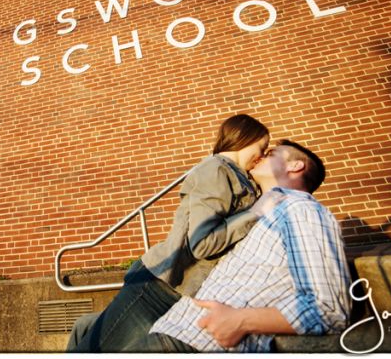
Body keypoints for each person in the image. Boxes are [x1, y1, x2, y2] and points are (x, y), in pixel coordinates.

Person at [71, 114, 285, 352]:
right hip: (158, 288)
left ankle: (85, 327)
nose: (263, 155)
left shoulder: (239, 177)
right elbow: (202, 243)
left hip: (179, 292)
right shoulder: (216, 169)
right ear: (246, 136)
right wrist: (255, 212)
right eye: (262, 147)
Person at [125, 139, 351, 352]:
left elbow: (329, 308)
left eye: (271, 153)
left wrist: (240, 320)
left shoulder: (301, 210)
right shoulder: (265, 213)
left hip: (197, 346)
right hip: (171, 333)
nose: (260, 155)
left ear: (295, 165)